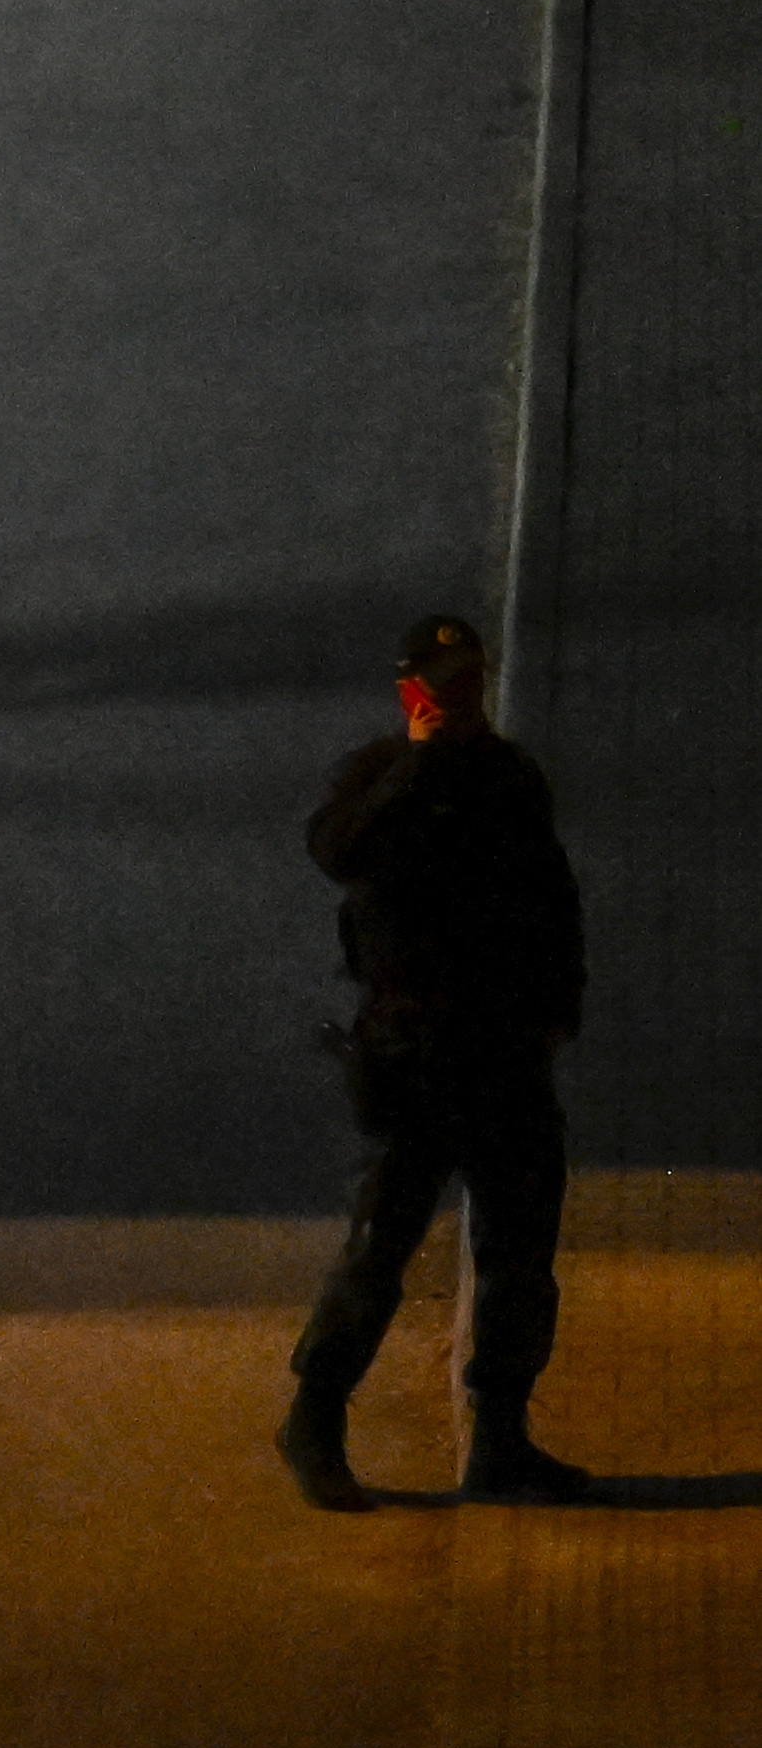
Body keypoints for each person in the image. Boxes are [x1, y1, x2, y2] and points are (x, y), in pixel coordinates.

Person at [283, 615, 595, 1510]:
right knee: (380, 1248)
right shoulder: (380, 776)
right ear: (409, 688)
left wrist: (560, 1004)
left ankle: (502, 1440)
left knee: (521, 1253)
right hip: (414, 1055)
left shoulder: (509, 774)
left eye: (464, 679)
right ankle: (314, 1422)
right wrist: (419, 762)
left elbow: (552, 891)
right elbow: (337, 853)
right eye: (434, 680)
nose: (454, 694)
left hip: (505, 1052)